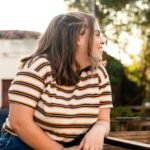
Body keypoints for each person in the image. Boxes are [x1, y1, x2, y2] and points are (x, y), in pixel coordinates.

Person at [0, 11, 113, 150]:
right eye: (97, 34)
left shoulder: (99, 74)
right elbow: (19, 122)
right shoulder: (39, 67)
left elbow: (104, 120)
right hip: (22, 143)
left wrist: (99, 130)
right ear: (77, 37)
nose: (103, 40)